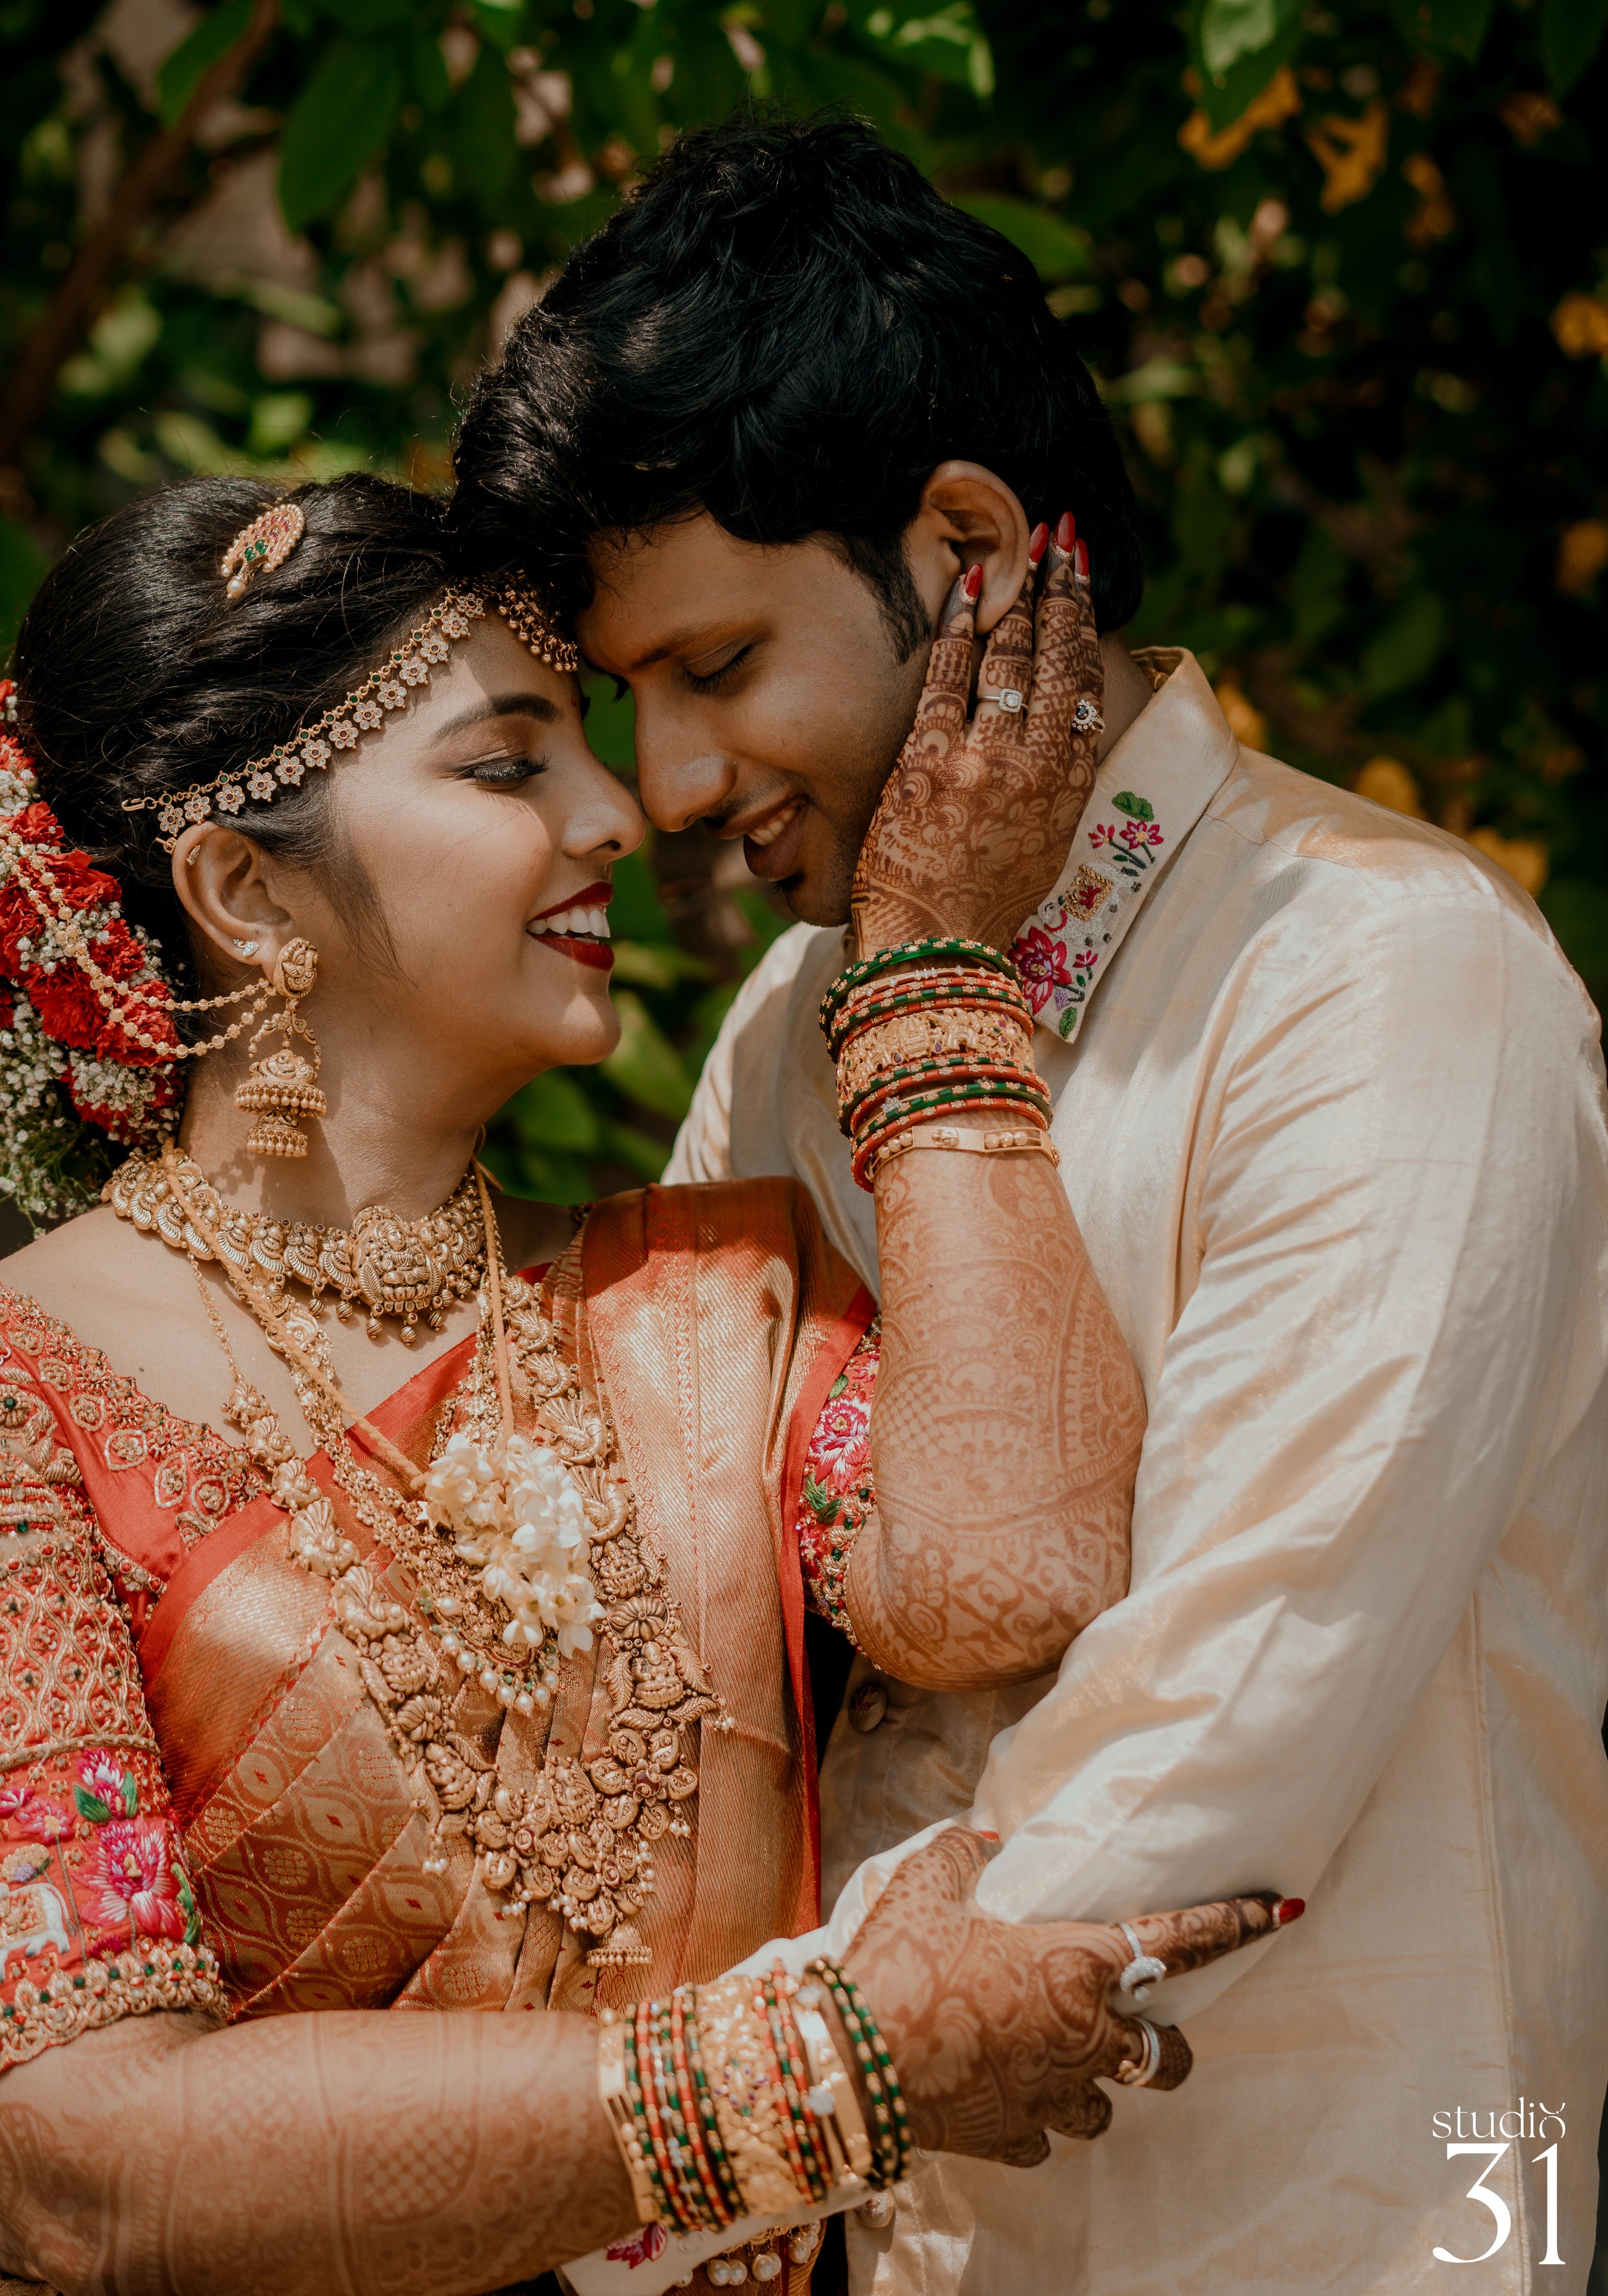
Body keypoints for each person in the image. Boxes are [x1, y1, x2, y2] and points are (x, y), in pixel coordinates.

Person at [0, 473, 1285, 2296]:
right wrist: (834, 2071)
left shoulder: (706, 1297)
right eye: (506, 767)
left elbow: (1017, 1570)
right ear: (243, 889)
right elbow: (79, 2160)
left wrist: (925, 968)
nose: (615, 815)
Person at [451, 112, 1608, 2293]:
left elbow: (1232, 1707)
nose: (673, 784)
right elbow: (713, 1646)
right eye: (628, 700)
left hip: (1361, 2218)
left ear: (967, 544)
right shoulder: (793, 1035)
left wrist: (681, 2144)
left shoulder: (1382, 966)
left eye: (713, 664)